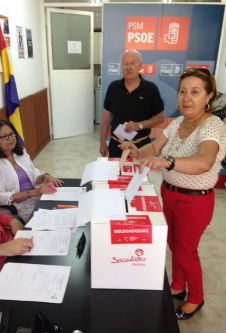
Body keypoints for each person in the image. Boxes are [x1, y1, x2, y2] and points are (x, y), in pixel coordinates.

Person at [119, 68, 226, 320]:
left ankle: (196, 298)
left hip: (195, 199)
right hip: (169, 193)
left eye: (195, 92)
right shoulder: (178, 121)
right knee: (173, 245)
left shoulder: (213, 125)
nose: (187, 98)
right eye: (182, 91)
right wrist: (138, 151)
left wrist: (166, 162)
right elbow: (156, 146)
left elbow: (204, 161)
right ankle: (178, 285)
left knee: (186, 251)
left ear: (209, 96)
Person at [0, 119, 63, 223]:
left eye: (11, 134)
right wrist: (33, 193)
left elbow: (33, 173)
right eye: (4, 137)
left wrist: (45, 176)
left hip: (35, 196)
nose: (10, 139)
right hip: (17, 205)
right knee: (52, 220)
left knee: (61, 207)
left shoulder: (20, 150)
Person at [100, 49, 164, 158]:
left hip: (142, 147)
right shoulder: (113, 87)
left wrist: (139, 125)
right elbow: (106, 118)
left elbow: (160, 118)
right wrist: (102, 143)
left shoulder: (150, 89)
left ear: (140, 66)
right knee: (115, 174)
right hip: (116, 145)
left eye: (132, 63)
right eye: (125, 64)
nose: (128, 67)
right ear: (121, 66)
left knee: (140, 175)